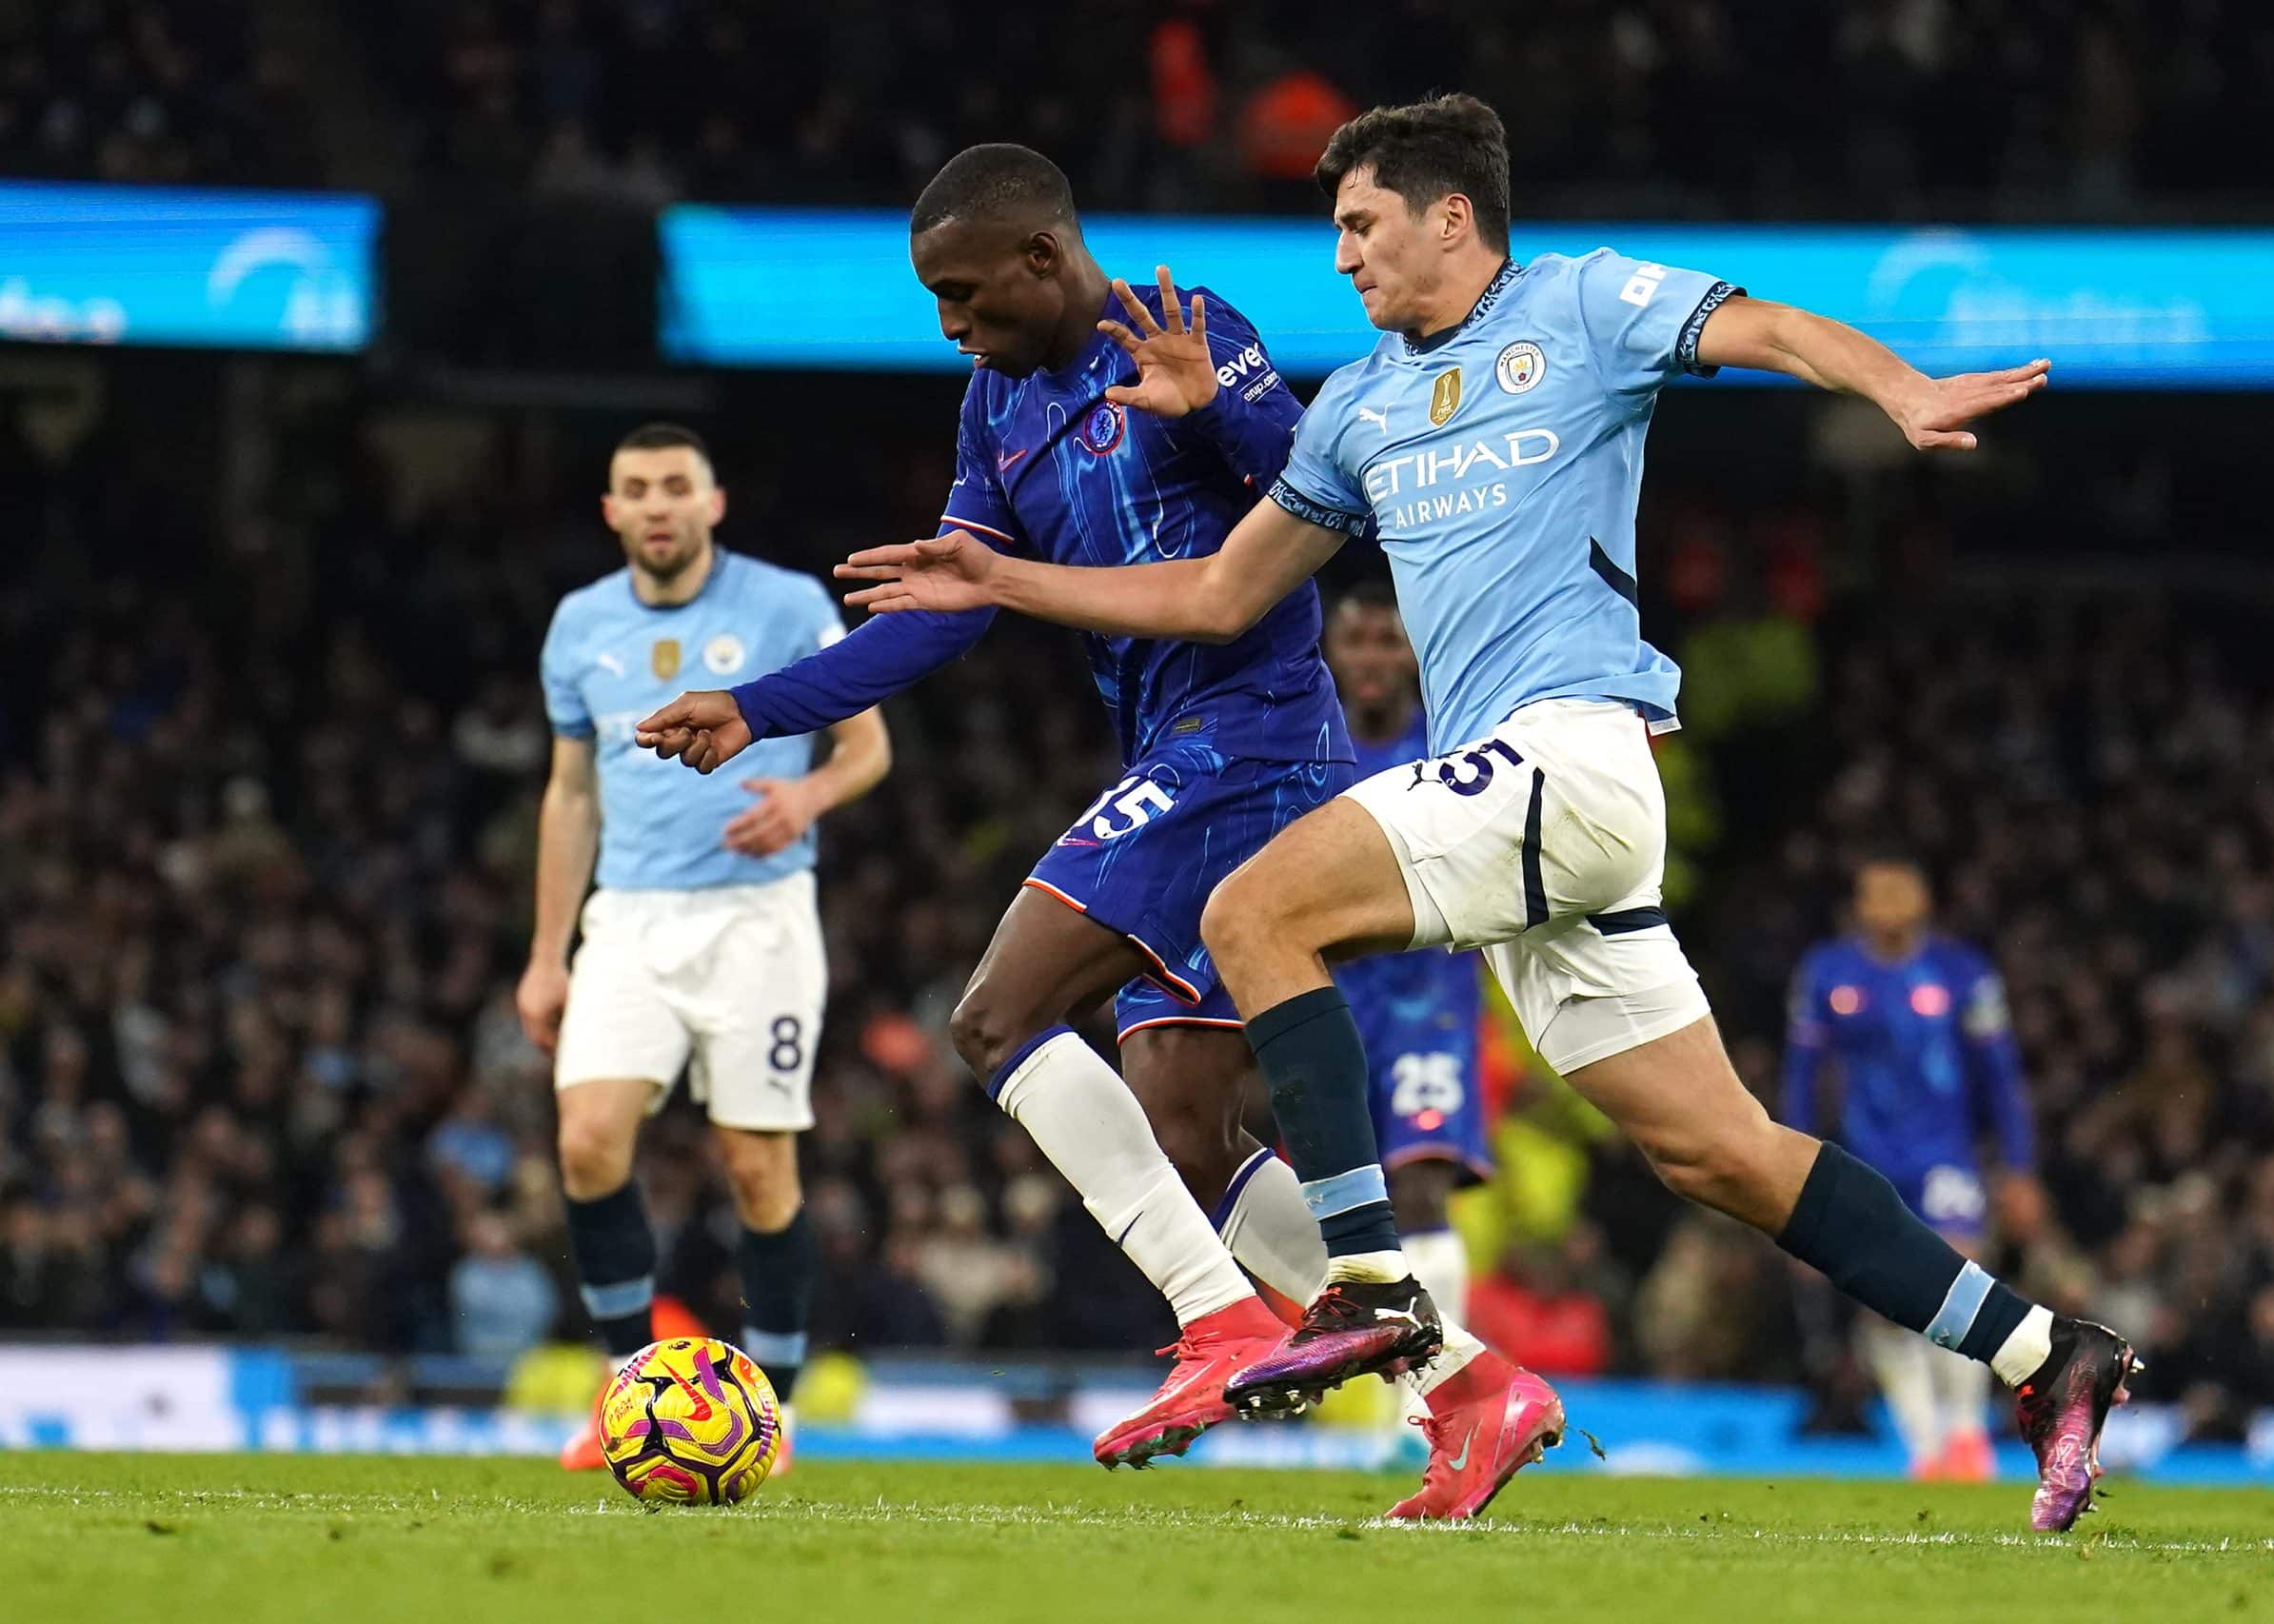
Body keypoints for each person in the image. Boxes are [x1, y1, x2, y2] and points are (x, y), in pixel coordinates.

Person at [825, 94, 2137, 1532]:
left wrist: (1899, 387)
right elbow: (1211, 593)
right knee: (1718, 1150)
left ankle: (1374, 1284)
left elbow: (1765, 327)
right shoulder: (1362, 406)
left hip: (1575, 751)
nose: (1341, 261)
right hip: (1517, 810)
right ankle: (2046, 1350)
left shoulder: (1579, 304)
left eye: (1360, 225)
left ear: (1451, 216)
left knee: (1254, 907)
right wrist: (1004, 580)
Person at [632, 147, 1532, 1506]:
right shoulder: (996, 404)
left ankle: (1219, 1318)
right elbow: (951, 602)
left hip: (1256, 735)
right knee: (1188, 1123)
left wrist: (1216, 415)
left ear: (1045, 257)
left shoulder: (1189, 330)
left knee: (997, 1015)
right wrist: (758, 707)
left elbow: (1333, 505)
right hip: (1187, 753)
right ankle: (1469, 1385)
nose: (951, 323)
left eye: (966, 293)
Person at [518, 424, 892, 1471]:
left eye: (675, 486)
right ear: (612, 511)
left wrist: (807, 795)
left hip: (756, 915)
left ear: (711, 502)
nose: (657, 504)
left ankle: (767, 1413)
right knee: (588, 1140)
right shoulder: (578, 624)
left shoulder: (781, 605)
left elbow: (867, 745)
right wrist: (547, 952)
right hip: (628, 917)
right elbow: (570, 791)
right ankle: (629, 1388)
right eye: (635, 488)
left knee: (755, 1167)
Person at [1783, 854, 2043, 1481]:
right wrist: (1790, 1161)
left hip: (1943, 1155)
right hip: (1863, 1156)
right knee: (1880, 1301)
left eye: (1902, 894)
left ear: (1923, 901)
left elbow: (2000, 1077)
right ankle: (1925, 1447)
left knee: (1956, 1278)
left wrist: (2018, 1166)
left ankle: (1966, 1437)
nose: (1891, 909)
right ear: (1860, 904)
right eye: (1879, 895)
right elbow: (1801, 1075)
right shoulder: (1827, 974)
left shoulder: (1962, 975)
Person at [1323, 582, 1493, 1438]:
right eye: (1357, 642)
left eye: (1390, 643)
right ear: (1333, 651)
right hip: (1329, 997)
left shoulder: (1460, 745)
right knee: (1342, 1195)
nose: (1373, 660)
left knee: (1420, 1187)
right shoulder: (1306, 750)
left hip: (1429, 1001)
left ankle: (1434, 1405)